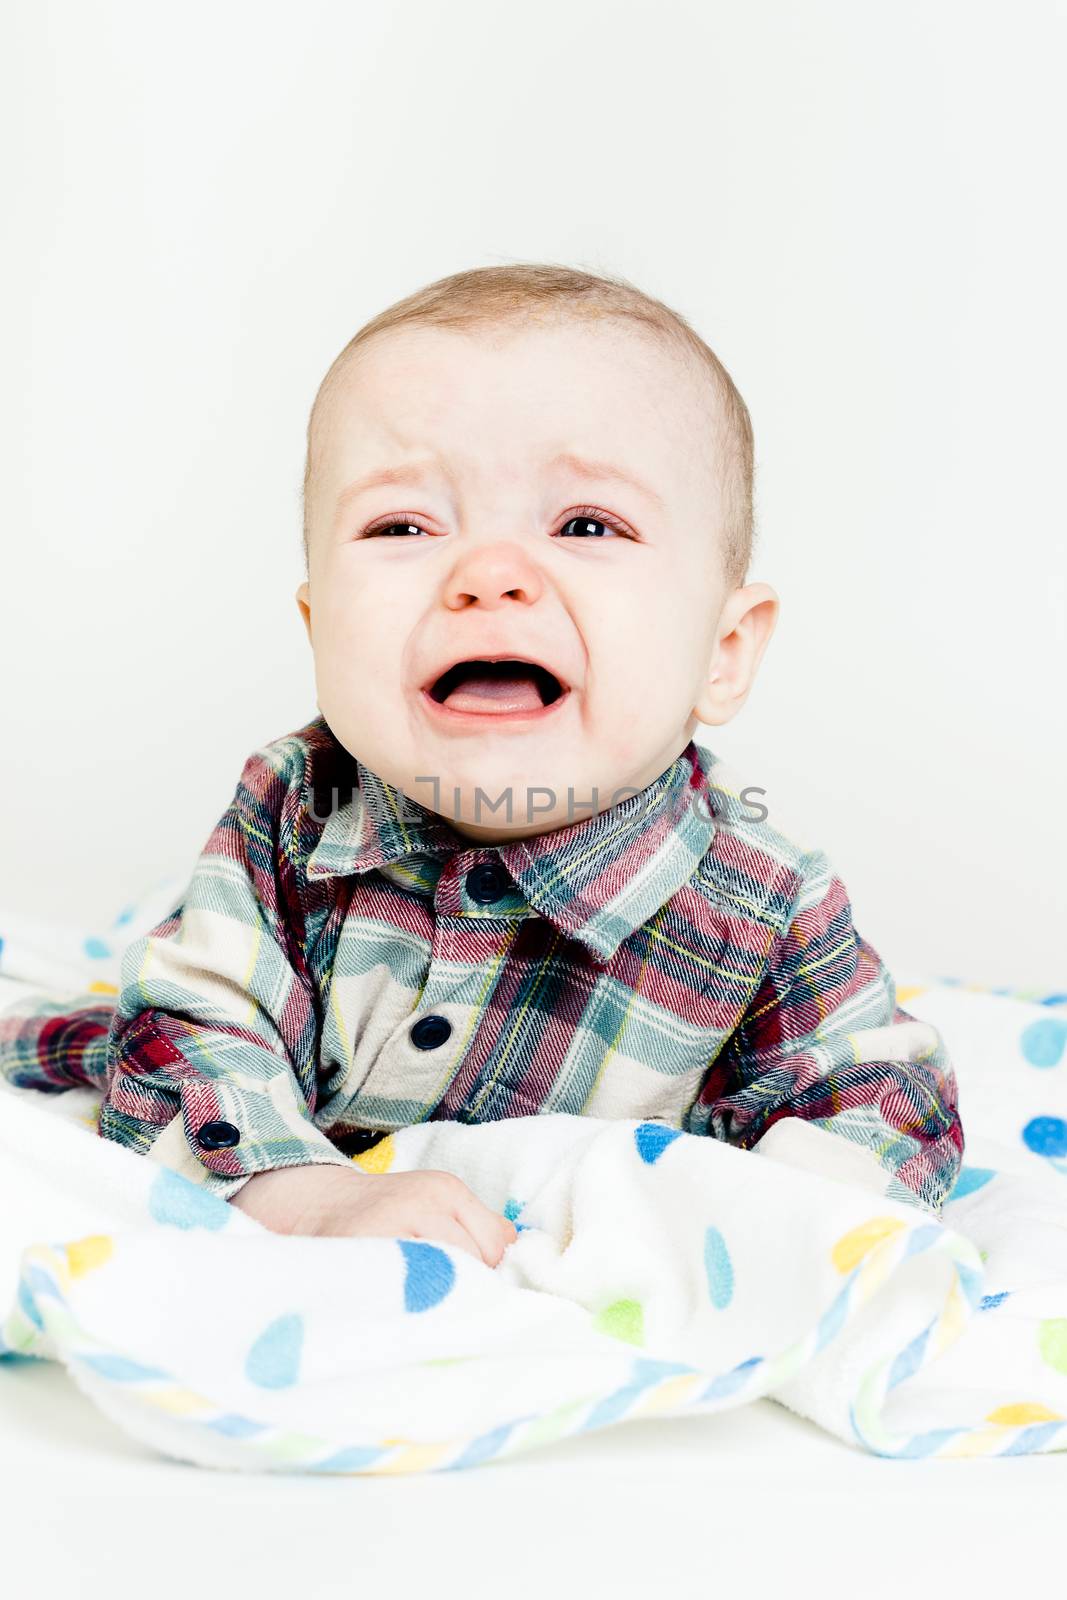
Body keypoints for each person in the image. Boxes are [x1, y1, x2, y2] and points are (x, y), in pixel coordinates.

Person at [0, 263, 964, 1265]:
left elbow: (881, 1101)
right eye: (403, 526)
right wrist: (301, 1192)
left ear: (721, 655)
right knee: (91, 1038)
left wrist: (772, 1222)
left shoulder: (762, 907)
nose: (488, 576)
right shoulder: (295, 803)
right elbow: (193, 1022)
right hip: (296, 1200)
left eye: (585, 525)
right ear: (319, 628)